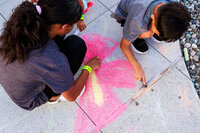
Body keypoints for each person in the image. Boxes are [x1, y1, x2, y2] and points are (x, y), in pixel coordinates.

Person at [0, 0, 101, 111]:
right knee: (77, 45)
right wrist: (88, 67)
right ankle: (53, 97)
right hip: (30, 98)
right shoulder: (52, 60)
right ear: (65, 26)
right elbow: (72, 96)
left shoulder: (23, 20)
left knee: (63, 42)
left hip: (13, 80)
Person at [112, 0, 191, 85]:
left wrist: (155, 30)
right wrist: (137, 66)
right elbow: (124, 45)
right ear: (153, 17)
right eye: (157, 33)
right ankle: (137, 37)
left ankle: (156, 29)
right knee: (142, 32)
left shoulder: (174, 5)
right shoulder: (138, 22)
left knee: (157, 31)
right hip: (125, 13)